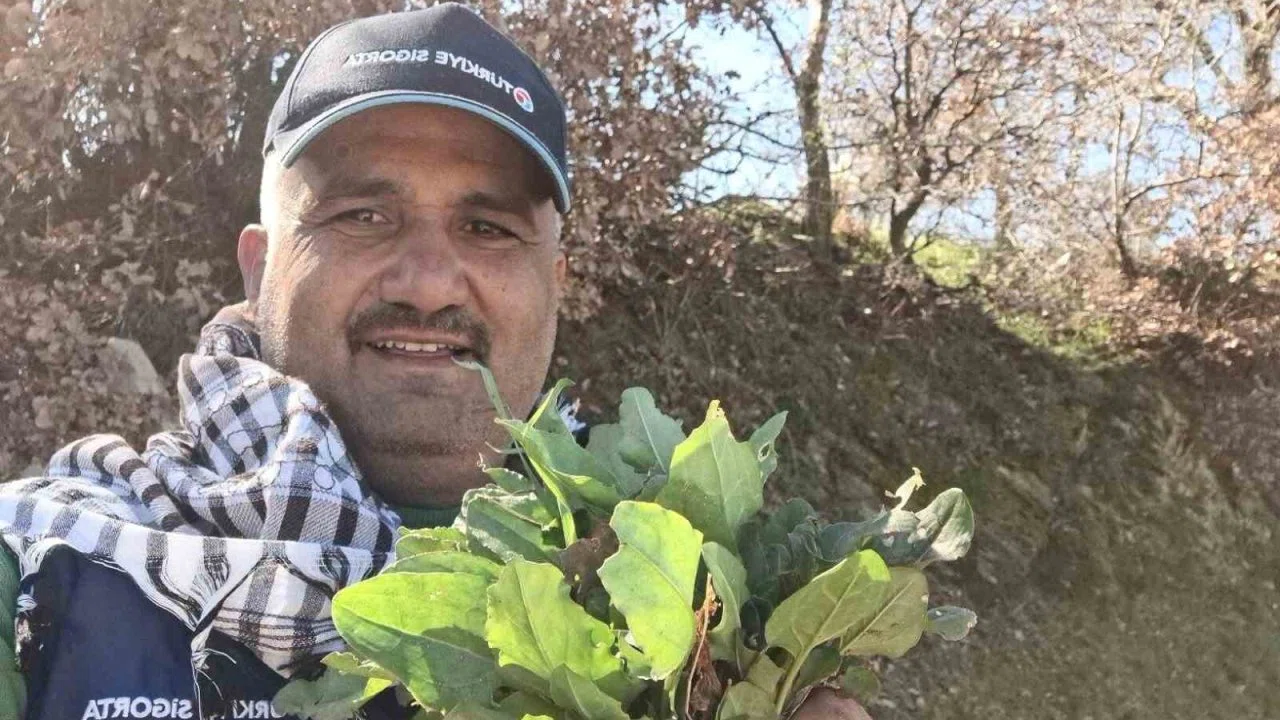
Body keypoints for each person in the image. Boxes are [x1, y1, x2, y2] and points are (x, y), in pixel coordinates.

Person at [0, 5, 871, 719]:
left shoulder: (714, 605)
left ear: (556, 284)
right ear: (260, 269)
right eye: (362, 217)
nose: (425, 283)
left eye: (486, 227)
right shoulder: (44, 573)